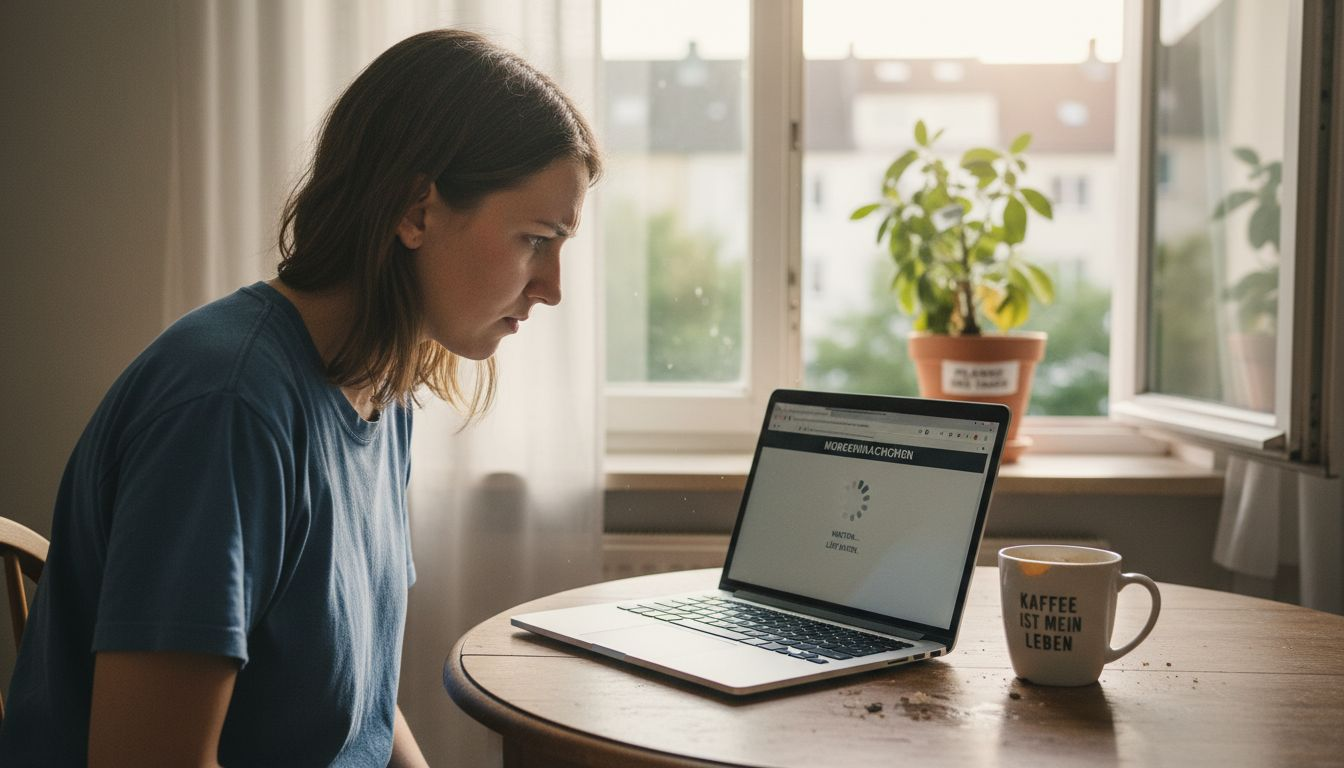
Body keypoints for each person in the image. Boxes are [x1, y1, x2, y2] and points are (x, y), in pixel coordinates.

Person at [0, 28, 600, 767]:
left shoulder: (381, 391)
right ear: (417, 210)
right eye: (536, 239)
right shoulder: (226, 410)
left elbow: (359, 718)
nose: (554, 288)